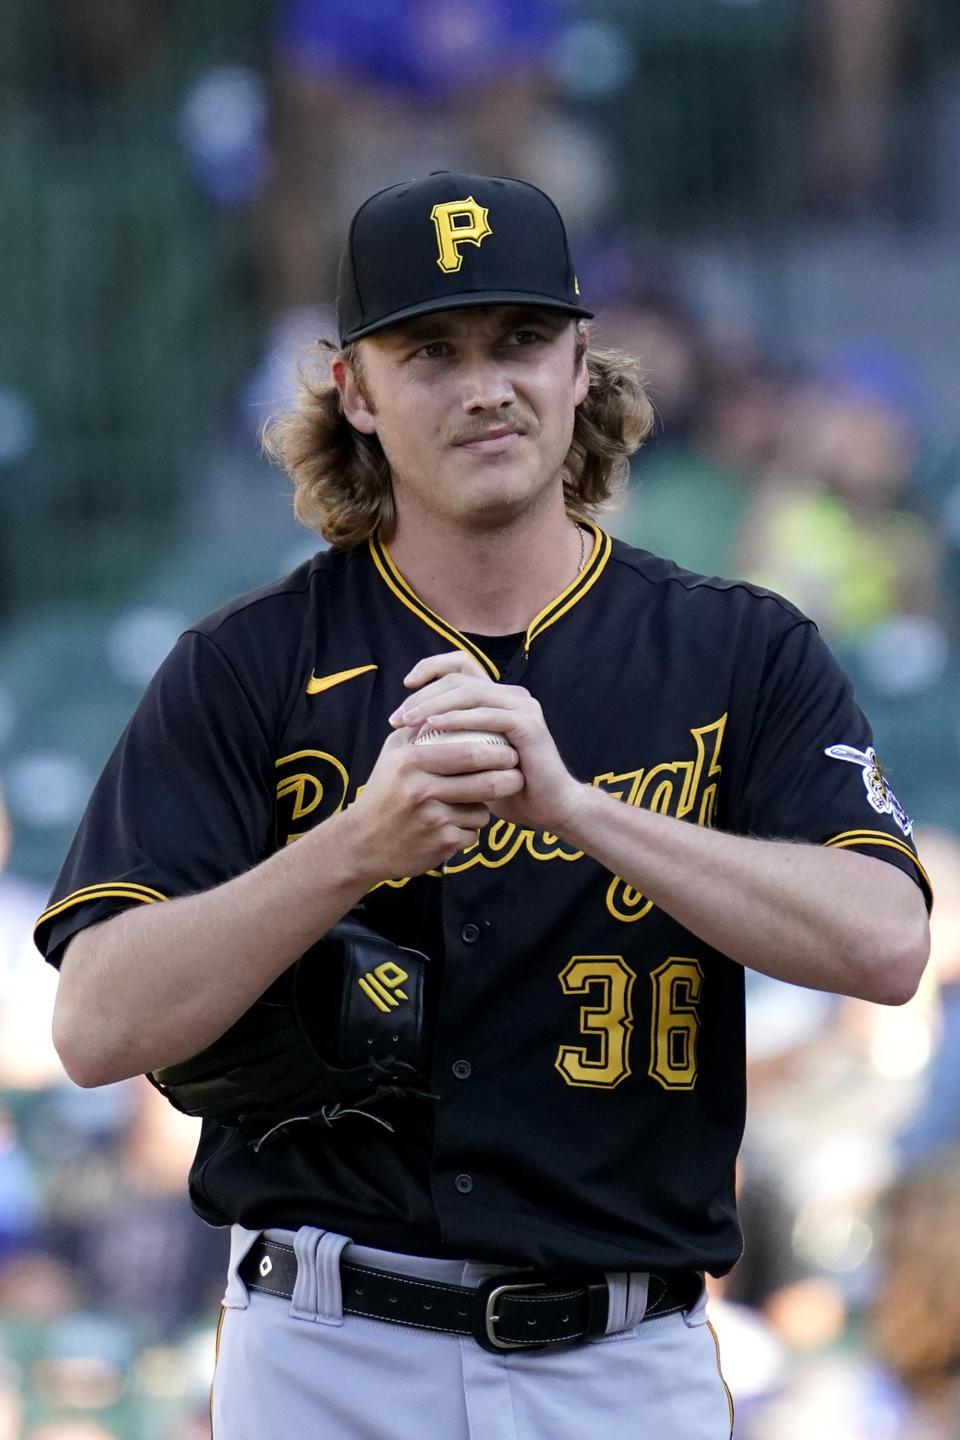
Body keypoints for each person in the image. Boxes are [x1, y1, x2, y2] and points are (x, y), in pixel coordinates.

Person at [35, 172, 931, 1439]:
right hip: (327, 1350)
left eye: (520, 340)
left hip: (627, 1354)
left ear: (581, 366)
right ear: (356, 390)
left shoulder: (738, 651)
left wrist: (581, 808)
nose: (484, 384)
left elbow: (889, 941)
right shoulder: (247, 665)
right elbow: (96, 1022)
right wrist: (354, 847)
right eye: (431, 350)